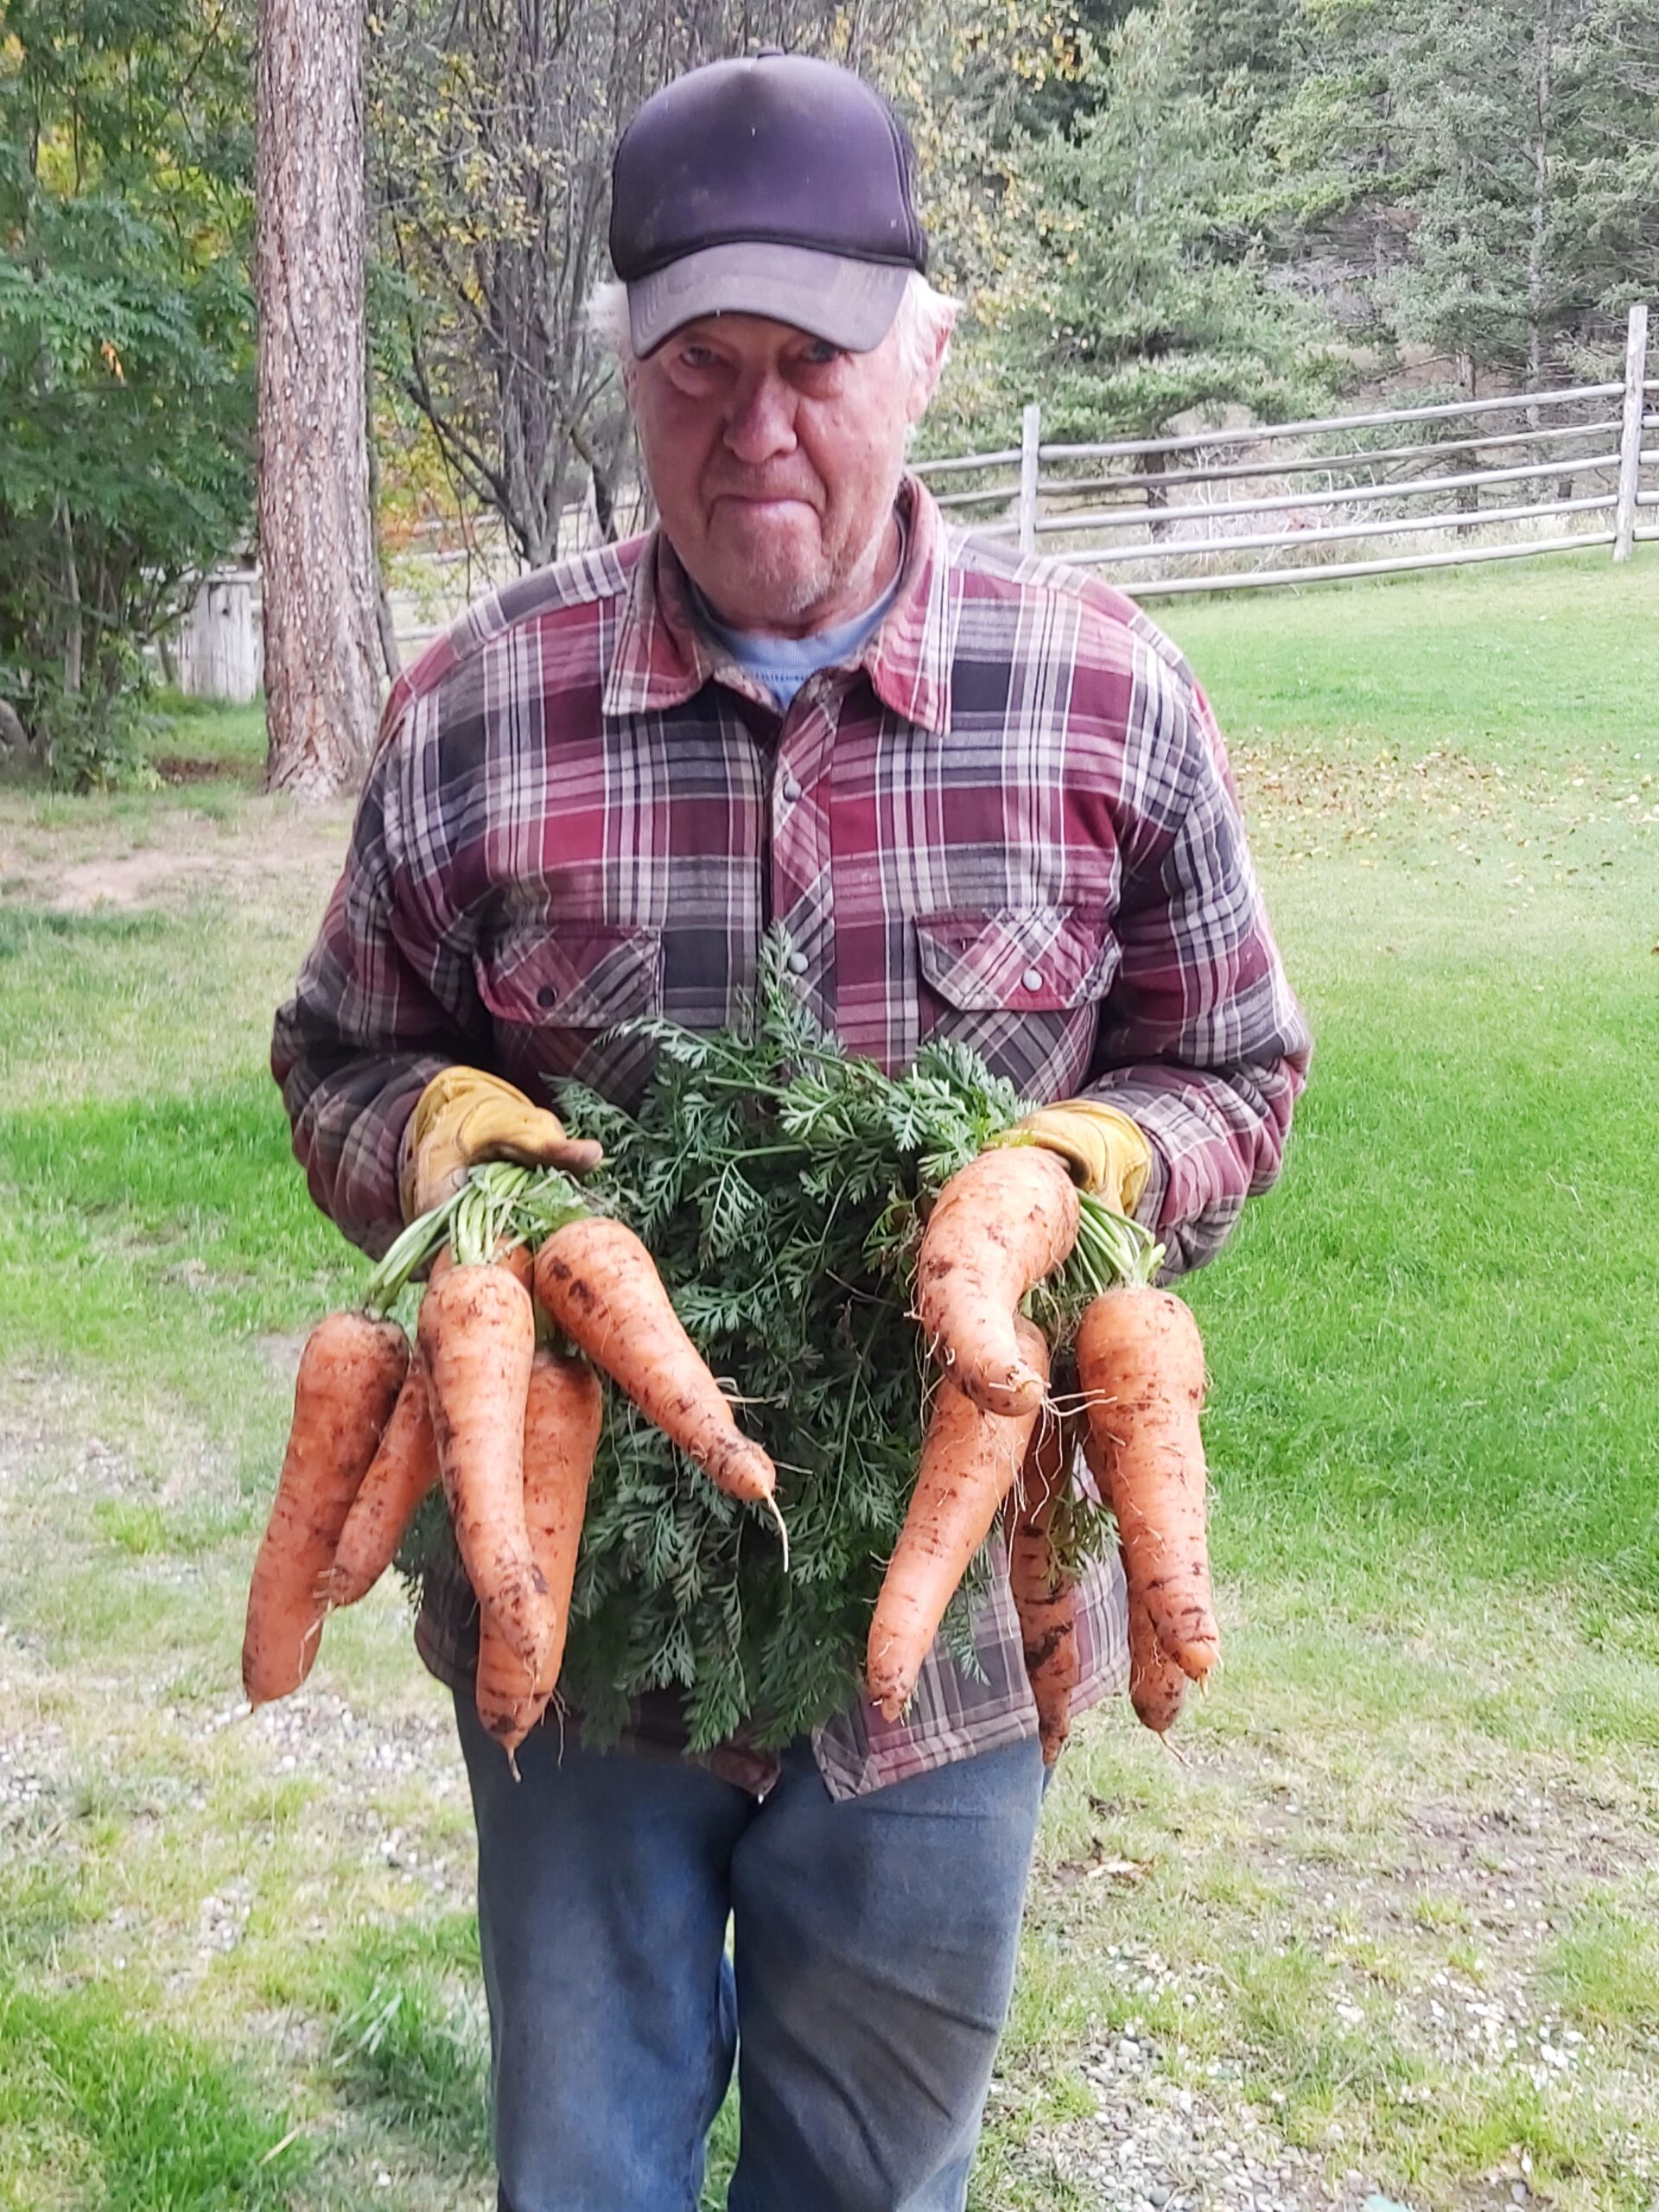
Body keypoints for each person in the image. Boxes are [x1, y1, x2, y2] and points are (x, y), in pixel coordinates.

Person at [272, 49, 1309, 2212]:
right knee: (586, 2167)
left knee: (870, 2181)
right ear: (631, 373)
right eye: (698, 364)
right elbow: (338, 1054)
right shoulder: (477, 703)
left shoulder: (1108, 692)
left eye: (816, 358)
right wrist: (456, 1132)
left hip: (950, 1651)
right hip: (580, 1634)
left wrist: (1079, 1171)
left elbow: (1236, 1067)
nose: (757, 425)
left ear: (923, 350)